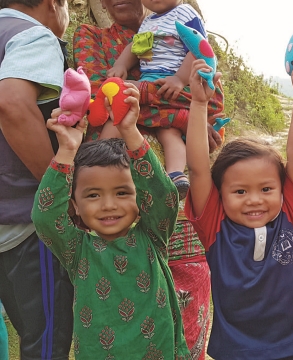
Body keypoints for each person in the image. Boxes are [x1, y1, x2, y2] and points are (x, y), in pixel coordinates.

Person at [73, 1, 221, 357]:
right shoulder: (91, 37)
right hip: (112, 228)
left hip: (181, 223)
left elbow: (212, 105)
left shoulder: (189, 34)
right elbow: (96, 95)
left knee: (183, 338)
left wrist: (140, 100)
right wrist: (180, 115)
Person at [32, 84, 191, 358]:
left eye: (122, 192)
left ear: (140, 198)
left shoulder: (153, 236)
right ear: (75, 207)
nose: (108, 205)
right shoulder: (77, 250)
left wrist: (130, 131)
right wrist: (67, 151)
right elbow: (45, 217)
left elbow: (164, 195)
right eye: (93, 195)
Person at [185, 59, 293, 359]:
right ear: (219, 195)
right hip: (237, 352)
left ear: (281, 190)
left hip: (292, 349)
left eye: (266, 189)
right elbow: (197, 170)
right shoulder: (215, 227)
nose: (255, 199)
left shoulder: (292, 217)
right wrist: (198, 103)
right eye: (240, 191)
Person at [74, 0, 225, 199]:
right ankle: (100, 168)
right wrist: (184, 118)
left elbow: (211, 100)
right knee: (116, 123)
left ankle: (175, 177)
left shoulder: (184, 21)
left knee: (165, 133)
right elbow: (100, 97)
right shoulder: (93, 37)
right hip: (113, 196)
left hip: (182, 197)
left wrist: (137, 93)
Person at [0, 0, 74, 359]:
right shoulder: (32, 35)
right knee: (45, 340)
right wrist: (59, 191)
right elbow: (13, 103)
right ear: (53, 3)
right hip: (24, 222)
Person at [103, 0, 204, 199]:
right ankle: (98, 160)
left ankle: (176, 174)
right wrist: (121, 65)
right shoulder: (148, 21)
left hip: (173, 80)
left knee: (169, 130)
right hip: (148, 79)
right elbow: (136, 47)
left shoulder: (185, 13)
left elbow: (198, 48)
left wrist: (179, 78)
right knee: (118, 114)